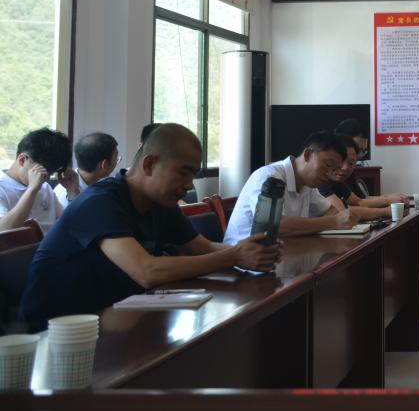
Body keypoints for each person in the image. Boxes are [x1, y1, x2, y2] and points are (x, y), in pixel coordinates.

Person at [18, 124, 279, 331]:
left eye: (193, 175)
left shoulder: (161, 203)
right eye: (183, 172)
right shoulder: (100, 202)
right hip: (57, 331)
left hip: (115, 315)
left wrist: (252, 252)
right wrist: (234, 256)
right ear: (149, 164)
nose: (189, 185)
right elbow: (145, 271)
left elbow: (203, 248)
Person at [224, 131, 358, 245]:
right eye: (327, 165)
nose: (329, 175)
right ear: (307, 154)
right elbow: (274, 226)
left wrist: (325, 222)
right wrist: (332, 222)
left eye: (333, 170)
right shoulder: (270, 177)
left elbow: (331, 210)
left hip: (283, 252)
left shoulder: (308, 184)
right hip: (243, 258)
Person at [0, 128, 70, 232]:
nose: (47, 177)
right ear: (22, 160)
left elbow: (69, 225)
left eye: (52, 171)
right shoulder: (2, 189)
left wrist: (72, 192)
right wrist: (32, 190)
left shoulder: (45, 187)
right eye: (44, 169)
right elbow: (3, 231)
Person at [320, 142, 402, 220]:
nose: (345, 168)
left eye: (351, 163)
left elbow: (358, 201)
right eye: (342, 161)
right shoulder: (320, 180)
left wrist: (389, 200)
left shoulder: (337, 180)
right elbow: (343, 211)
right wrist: (385, 210)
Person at [54, 131, 120, 208]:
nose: (117, 160)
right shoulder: (66, 195)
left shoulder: (95, 185)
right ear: (104, 165)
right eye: (116, 157)